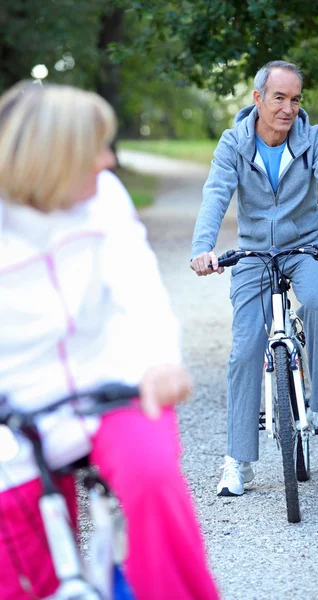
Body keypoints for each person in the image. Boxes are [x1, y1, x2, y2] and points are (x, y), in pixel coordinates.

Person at [0, 81, 219, 600]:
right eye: (95, 148)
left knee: (151, 475)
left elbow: (140, 288)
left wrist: (161, 362)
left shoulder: (106, 199)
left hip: (109, 381)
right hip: (15, 404)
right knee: (22, 564)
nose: (107, 160)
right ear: (50, 159)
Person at [190, 60, 318, 497]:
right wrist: (201, 249)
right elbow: (216, 194)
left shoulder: (313, 139)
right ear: (258, 99)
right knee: (246, 347)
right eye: (279, 98)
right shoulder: (234, 143)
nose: (288, 108)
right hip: (252, 253)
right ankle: (238, 463)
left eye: (295, 99)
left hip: (304, 246)